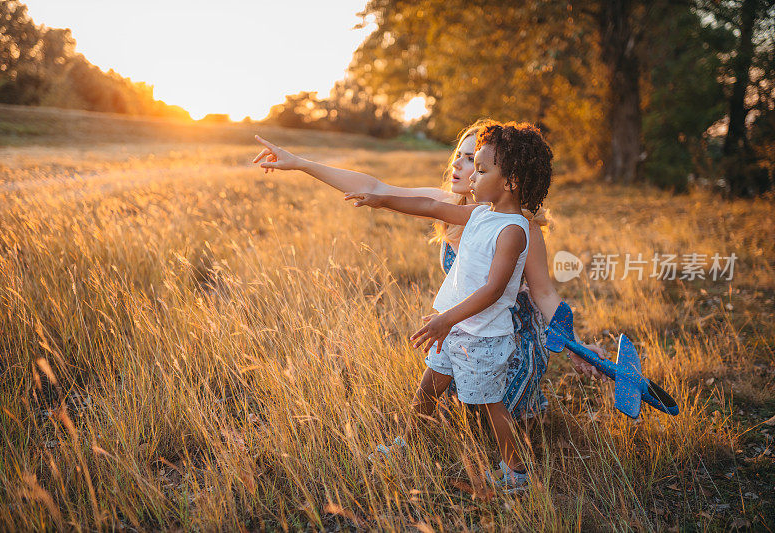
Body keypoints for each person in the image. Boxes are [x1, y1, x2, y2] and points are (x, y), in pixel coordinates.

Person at [251, 120, 607, 422]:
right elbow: (374, 188)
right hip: (459, 329)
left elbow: (544, 293)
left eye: (474, 161)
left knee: (493, 420)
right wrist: (298, 162)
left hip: (506, 336)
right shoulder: (451, 206)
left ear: (506, 175)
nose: (459, 165)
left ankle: (514, 453)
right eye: (460, 156)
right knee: (446, 403)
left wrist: (575, 346)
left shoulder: (518, 227)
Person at [343, 121, 550, 492]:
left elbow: (492, 290)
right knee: (427, 390)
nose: (472, 177)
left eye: (482, 170)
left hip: (482, 336)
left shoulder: (514, 230)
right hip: (455, 328)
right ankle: (407, 443)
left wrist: (445, 320)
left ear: (511, 182)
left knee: (492, 405)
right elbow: (428, 205)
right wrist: (381, 200)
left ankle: (517, 471)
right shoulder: (481, 214)